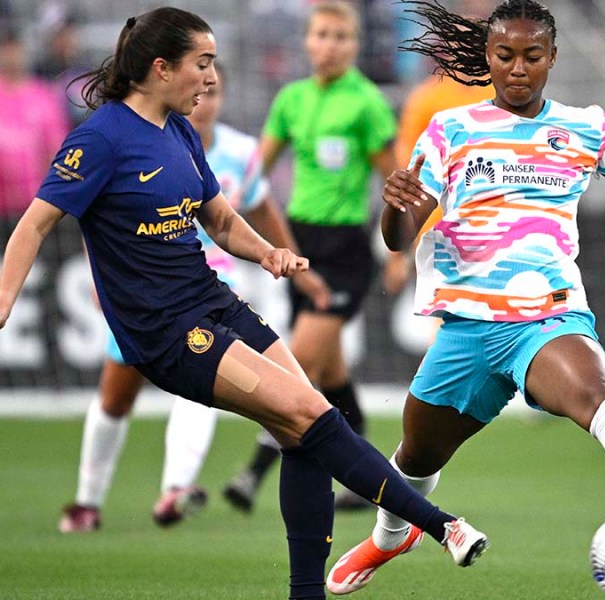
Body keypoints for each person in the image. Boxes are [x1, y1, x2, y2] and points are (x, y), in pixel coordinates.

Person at [0, 8, 488, 599]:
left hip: (213, 302)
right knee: (314, 417)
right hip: (166, 333)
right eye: (201, 64)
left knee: (297, 428)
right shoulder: (100, 139)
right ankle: (437, 525)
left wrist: (269, 254)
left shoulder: (178, 130)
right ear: (160, 68)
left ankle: (306, 592)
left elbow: (221, 219)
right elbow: (33, 225)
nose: (210, 79)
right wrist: (2, 302)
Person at [325, 0, 605, 594]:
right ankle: (391, 538)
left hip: (547, 313)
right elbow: (399, 236)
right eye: (505, 55)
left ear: (552, 58)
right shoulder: (451, 130)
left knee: (597, 396)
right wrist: (394, 205)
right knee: (414, 458)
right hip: (468, 325)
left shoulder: (586, 126)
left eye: (532, 56)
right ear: (488, 58)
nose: (517, 68)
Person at [57, 62, 331, 533]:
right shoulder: (132, 143)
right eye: (201, 88)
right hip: (144, 290)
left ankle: (175, 488)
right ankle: (87, 501)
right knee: (115, 399)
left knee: (203, 382)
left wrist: (288, 260)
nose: (207, 100)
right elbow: (93, 217)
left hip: (211, 289)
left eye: (217, 91)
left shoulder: (241, 152)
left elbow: (259, 212)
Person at [222, 1, 409, 513]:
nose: (329, 45)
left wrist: (400, 250)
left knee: (299, 364)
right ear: (306, 41)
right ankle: (371, 475)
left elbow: (395, 185)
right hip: (300, 245)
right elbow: (254, 172)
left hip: (346, 248)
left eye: (340, 36)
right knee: (328, 372)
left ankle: (252, 473)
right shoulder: (292, 100)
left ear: (353, 45)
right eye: (321, 34)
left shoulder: (366, 103)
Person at [0, 20, 70, 218]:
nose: (11, 56)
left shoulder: (43, 96)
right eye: (6, 49)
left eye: (15, 49)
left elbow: (56, 150)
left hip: (35, 206)